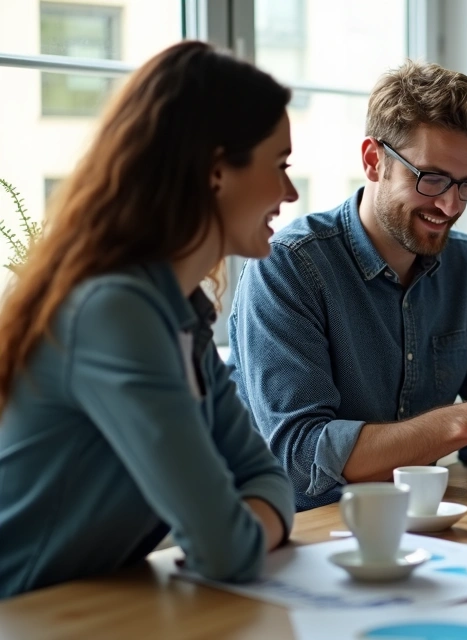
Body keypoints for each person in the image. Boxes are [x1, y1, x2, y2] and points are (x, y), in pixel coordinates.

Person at [0, 41, 297, 599]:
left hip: (82, 610)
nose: (290, 191)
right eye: (278, 165)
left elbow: (265, 477)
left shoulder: (178, 311)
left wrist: (246, 525)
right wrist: (246, 529)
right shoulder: (113, 312)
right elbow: (224, 548)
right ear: (216, 170)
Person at [227, 59, 467, 510]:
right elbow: (303, 455)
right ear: (373, 161)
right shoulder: (289, 268)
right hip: (300, 533)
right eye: (431, 178)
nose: (450, 204)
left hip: (421, 527)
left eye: (466, 183)